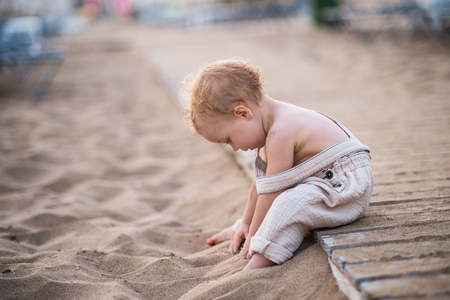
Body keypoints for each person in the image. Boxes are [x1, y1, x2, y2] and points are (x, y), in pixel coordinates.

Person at [181, 58, 374, 269]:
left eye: (229, 140)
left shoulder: (280, 131)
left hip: (346, 187)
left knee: (288, 203)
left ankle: (261, 256)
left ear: (243, 113)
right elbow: (261, 186)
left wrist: (254, 236)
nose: (234, 148)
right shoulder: (271, 126)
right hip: (325, 181)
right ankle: (241, 230)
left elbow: (272, 195)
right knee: (278, 191)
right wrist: (245, 223)